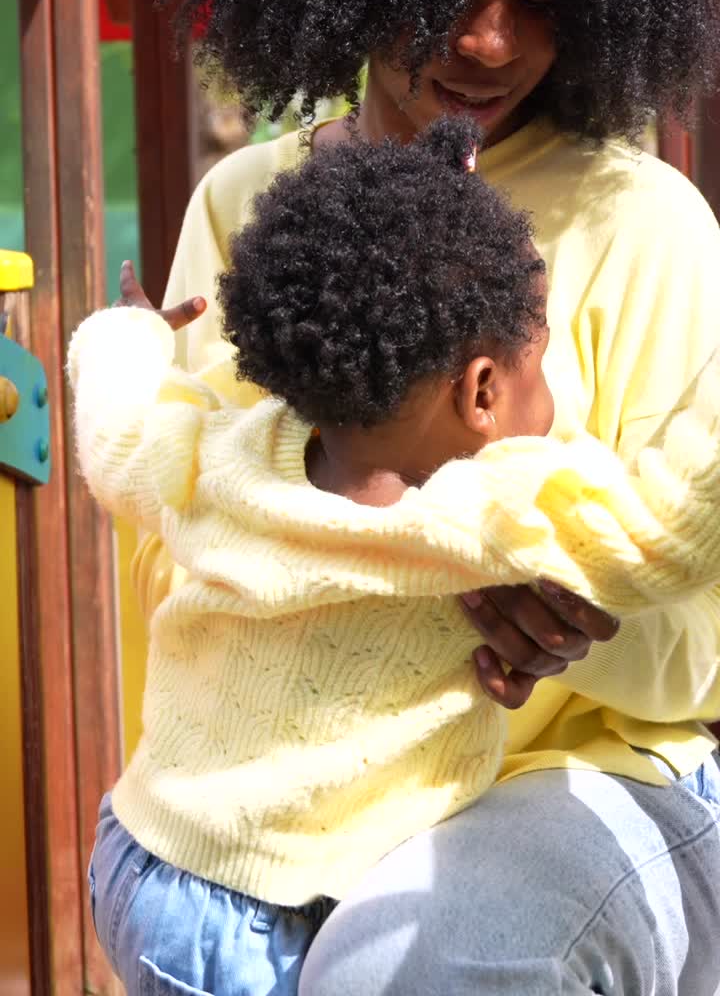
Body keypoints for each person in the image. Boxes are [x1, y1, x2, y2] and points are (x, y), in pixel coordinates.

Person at [133, 0, 720, 990]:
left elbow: (685, 646)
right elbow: (170, 532)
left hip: (595, 770)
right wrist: (439, 564)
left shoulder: (649, 224)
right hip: (299, 789)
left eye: (542, 4)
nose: (492, 42)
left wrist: (569, 602)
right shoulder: (243, 204)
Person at [73, 119, 720, 996]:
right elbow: (666, 534)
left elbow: (114, 431)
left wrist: (127, 335)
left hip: (145, 871)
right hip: (288, 911)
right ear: (483, 391)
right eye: (542, 366)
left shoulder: (225, 453)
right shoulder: (484, 512)